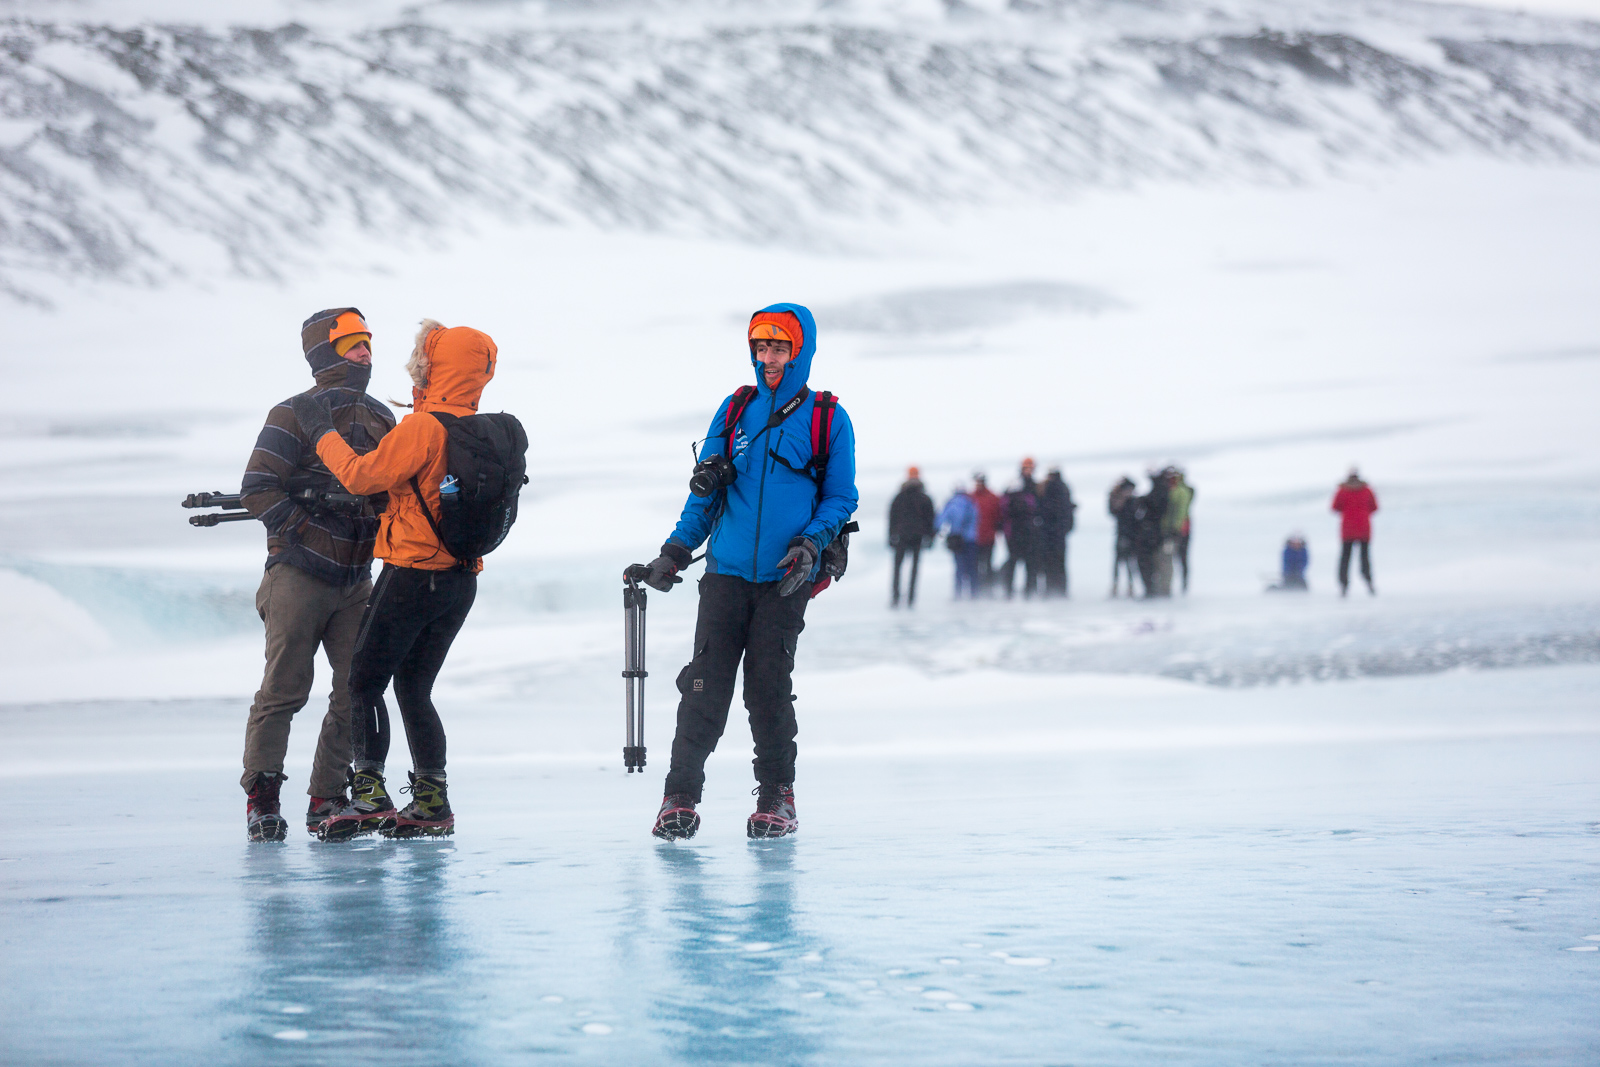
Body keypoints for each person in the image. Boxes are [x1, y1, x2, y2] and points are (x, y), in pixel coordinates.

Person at [635, 304, 857, 841]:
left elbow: (840, 497)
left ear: (800, 351)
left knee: (767, 688)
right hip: (727, 572)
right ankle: (679, 798)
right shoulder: (735, 410)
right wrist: (674, 551)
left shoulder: (829, 417)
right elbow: (705, 493)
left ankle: (778, 797)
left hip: (785, 578)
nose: (768, 357)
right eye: (761, 347)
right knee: (704, 689)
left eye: (779, 347)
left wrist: (810, 544)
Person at [290, 319, 503, 840]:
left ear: (435, 367)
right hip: (461, 580)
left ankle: (368, 792)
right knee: (414, 687)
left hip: (412, 574)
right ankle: (432, 800)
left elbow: (362, 476)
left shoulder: (423, 428)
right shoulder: (487, 431)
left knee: (363, 681)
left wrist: (321, 433)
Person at [238, 308, 395, 842]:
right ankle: (263, 801)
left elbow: (389, 494)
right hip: (297, 573)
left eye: (367, 343)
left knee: (356, 690)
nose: (365, 353)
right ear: (325, 354)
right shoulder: (293, 412)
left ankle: (327, 799)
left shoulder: (381, 416)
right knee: (284, 689)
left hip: (357, 579)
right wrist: (307, 531)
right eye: (353, 344)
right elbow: (259, 487)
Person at [887, 466, 934, 608]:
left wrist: (891, 535)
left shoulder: (899, 496)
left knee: (898, 568)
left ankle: (896, 598)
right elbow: (930, 519)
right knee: (913, 568)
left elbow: (892, 517)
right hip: (916, 537)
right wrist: (930, 536)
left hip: (902, 536)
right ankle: (910, 598)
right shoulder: (924, 497)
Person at [1001, 458, 1044, 599]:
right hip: (1014, 533)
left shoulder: (1034, 487)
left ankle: (1029, 591)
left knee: (1030, 563)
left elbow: (1038, 509)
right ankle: (1009, 591)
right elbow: (1003, 511)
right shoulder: (1012, 489)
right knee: (1013, 562)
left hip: (1028, 532)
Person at [1332, 468, 1379, 596]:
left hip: (1347, 530)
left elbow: (1335, 507)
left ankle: (1344, 585)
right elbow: (1375, 507)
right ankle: (1369, 583)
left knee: (1345, 559)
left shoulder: (1342, 491)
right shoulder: (1366, 490)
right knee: (1364, 558)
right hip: (1364, 529)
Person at [936, 481, 980, 599]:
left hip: (957, 539)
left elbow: (941, 519)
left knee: (959, 569)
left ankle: (958, 595)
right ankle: (974, 595)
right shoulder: (971, 503)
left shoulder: (951, 503)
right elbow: (977, 519)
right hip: (971, 539)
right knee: (972, 569)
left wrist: (938, 531)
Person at [1037, 467, 1076, 597]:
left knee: (1050, 564)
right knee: (1059, 564)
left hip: (1050, 533)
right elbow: (1068, 512)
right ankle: (1060, 590)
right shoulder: (1063, 489)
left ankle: (1051, 590)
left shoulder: (1047, 489)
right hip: (1057, 534)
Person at [1132, 468, 1170, 597]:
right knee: (1152, 565)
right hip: (1154, 535)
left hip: (1151, 535)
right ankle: (1152, 589)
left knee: (1149, 565)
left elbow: (1156, 507)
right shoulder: (1161, 492)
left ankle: (1151, 590)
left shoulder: (1159, 493)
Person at [970, 472, 1003, 596]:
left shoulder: (993, 497)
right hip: (974, 538)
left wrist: (998, 529)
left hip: (989, 537)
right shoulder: (971, 497)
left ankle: (988, 590)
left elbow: (999, 516)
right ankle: (977, 591)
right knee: (976, 566)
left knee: (988, 565)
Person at [1164, 467, 1194, 593]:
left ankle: (1183, 585)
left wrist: (1174, 528)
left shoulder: (1180, 491)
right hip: (1180, 529)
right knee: (1179, 558)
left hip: (1180, 530)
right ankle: (1182, 584)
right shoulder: (1182, 490)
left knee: (1180, 557)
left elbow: (1179, 512)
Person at [1108, 476, 1139, 597]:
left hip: (1131, 535)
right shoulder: (1119, 501)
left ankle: (1130, 586)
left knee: (1129, 562)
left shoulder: (1134, 501)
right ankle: (1115, 585)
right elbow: (1113, 511)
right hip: (1122, 534)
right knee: (1118, 561)